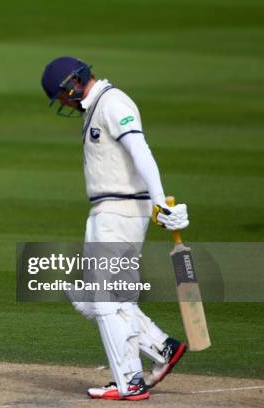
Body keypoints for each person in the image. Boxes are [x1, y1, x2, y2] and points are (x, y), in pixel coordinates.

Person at [41, 57, 189, 400]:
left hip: (120, 211)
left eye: (61, 97)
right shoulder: (98, 106)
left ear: (70, 85)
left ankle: (130, 381)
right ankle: (160, 348)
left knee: (104, 298)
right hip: (107, 211)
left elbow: (141, 152)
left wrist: (159, 202)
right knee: (104, 297)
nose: (63, 104)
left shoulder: (113, 103)